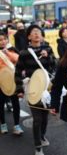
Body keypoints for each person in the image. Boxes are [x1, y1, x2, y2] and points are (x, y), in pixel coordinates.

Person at [15, 24, 57, 155]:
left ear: (42, 35)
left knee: (45, 117)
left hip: (46, 89)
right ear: (29, 36)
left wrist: (48, 57)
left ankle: (42, 135)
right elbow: (17, 72)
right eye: (33, 32)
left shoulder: (48, 49)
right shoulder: (24, 52)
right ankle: (38, 146)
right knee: (37, 118)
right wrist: (19, 89)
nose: (36, 34)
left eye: (38, 32)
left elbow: (55, 67)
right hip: (32, 89)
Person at [0, 31, 24, 135]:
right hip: (1, 82)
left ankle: (16, 125)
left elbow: (19, 60)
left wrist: (7, 53)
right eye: (0, 40)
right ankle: (3, 124)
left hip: (13, 81)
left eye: (4, 39)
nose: (3, 41)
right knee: (0, 103)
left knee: (15, 102)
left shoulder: (12, 49)